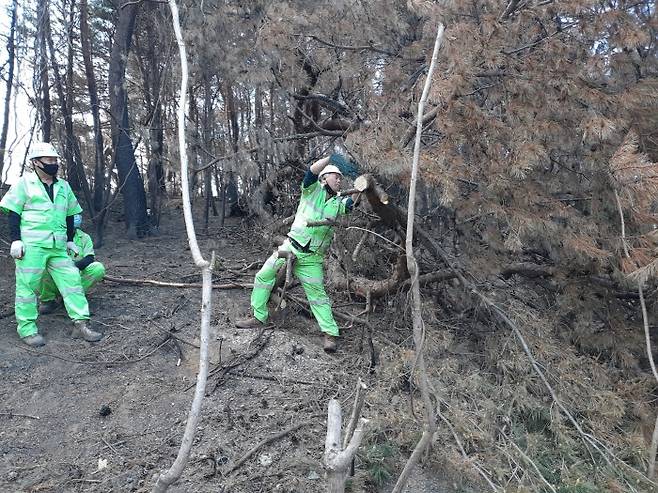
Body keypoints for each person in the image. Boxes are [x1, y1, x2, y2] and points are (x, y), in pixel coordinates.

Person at [235, 154, 358, 352]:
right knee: (263, 276)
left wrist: (360, 186)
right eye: (336, 176)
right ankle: (259, 317)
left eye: (340, 178)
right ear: (325, 178)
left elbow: (351, 205)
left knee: (318, 296)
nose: (339, 180)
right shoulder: (311, 190)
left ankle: (330, 334)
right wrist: (330, 159)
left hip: (312, 259)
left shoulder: (337, 202)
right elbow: (311, 171)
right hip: (290, 247)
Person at [0, 141, 102, 346]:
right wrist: (16, 239)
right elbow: (13, 212)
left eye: (55, 159)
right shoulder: (24, 183)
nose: (53, 163)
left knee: (72, 280)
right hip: (32, 245)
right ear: (36, 162)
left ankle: (80, 324)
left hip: (58, 246)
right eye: (49, 160)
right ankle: (27, 329)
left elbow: (71, 214)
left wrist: (71, 241)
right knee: (27, 287)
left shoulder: (63, 186)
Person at [39, 214, 105, 314]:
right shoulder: (51, 236)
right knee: (41, 266)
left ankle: (73, 295)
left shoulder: (84, 237)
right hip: (55, 276)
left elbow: (90, 258)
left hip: (76, 276)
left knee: (98, 268)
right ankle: (48, 301)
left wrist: (73, 267)